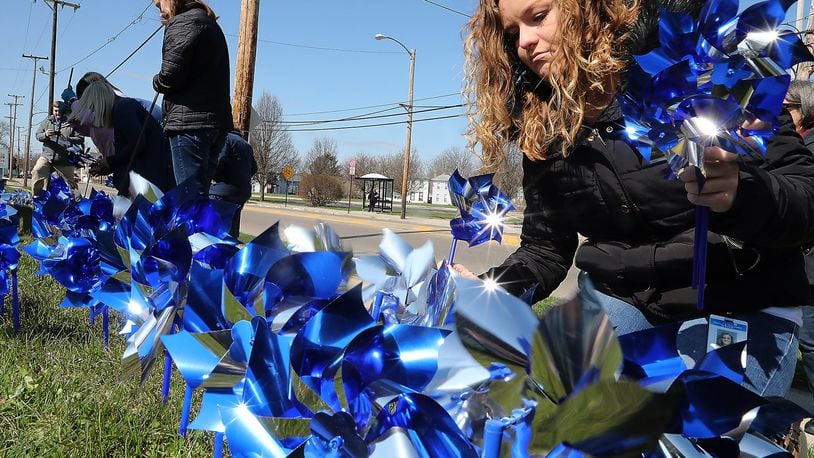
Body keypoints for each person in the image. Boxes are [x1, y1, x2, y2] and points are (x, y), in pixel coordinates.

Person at [454, 0, 814, 398]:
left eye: (538, 17)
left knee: (693, 430)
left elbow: (805, 197)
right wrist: (486, 291)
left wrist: (741, 195)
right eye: (511, 33)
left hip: (742, 301)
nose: (525, 42)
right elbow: (545, 249)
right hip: (627, 299)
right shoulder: (544, 126)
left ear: (587, 9)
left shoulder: (702, 69)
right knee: (546, 404)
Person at [152, 0, 233, 196]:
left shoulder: (181, 22)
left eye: (158, 0)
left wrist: (156, 81)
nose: (156, 4)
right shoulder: (210, 23)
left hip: (189, 124)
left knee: (188, 202)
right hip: (215, 124)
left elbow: (170, 76)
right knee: (198, 198)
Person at [69, 80, 175, 195]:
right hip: (150, 179)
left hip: (152, 181)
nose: (94, 113)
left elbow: (138, 144)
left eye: (93, 108)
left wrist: (111, 161)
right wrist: (110, 166)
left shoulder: (123, 108)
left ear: (99, 102)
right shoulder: (122, 108)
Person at [783, 80, 814, 434]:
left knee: (810, 340)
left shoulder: (804, 149)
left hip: (807, 266)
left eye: (785, 106)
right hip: (801, 264)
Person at [209, 132, 258, 238]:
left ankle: (218, 251)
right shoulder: (247, 145)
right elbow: (254, 168)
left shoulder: (226, 138)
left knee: (214, 230)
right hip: (241, 192)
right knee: (232, 229)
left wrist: (212, 176)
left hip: (222, 191)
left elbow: (220, 160)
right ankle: (231, 249)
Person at [33, 101, 84, 194]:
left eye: (60, 111)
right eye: (56, 111)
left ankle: (77, 202)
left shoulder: (71, 123)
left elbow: (80, 139)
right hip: (47, 156)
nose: (58, 113)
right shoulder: (47, 121)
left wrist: (67, 138)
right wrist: (46, 134)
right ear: (53, 110)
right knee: (37, 171)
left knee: (71, 184)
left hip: (64, 159)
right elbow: (37, 135)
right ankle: (37, 197)